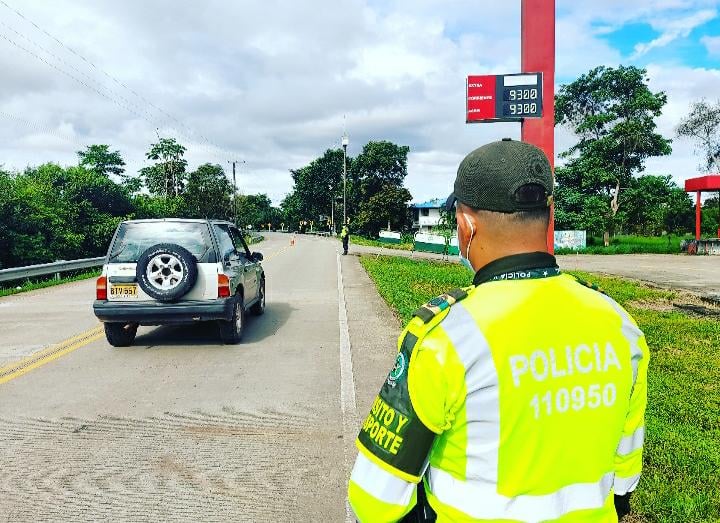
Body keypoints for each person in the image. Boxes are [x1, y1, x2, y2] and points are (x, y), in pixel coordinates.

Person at [348, 138, 648, 523]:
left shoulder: (447, 339)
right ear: (549, 212)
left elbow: (374, 500)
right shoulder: (620, 325)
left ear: (466, 225)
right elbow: (624, 481)